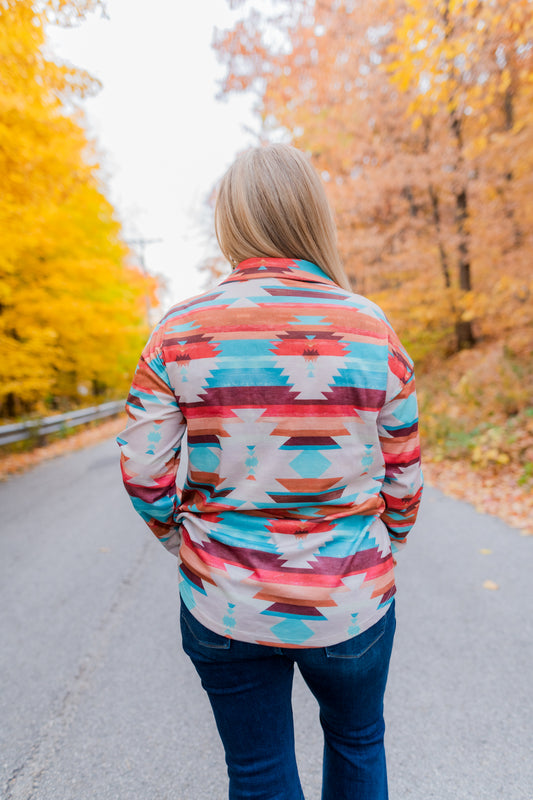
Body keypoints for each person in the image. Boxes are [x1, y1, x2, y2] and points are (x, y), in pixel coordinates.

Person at [118, 143, 423, 800]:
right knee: (357, 741)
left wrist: (182, 541)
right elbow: (404, 474)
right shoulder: (372, 329)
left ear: (231, 222)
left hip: (224, 598)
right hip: (351, 597)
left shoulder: (178, 330)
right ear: (314, 217)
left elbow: (143, 471)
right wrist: (385, 544)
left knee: (255, 772)